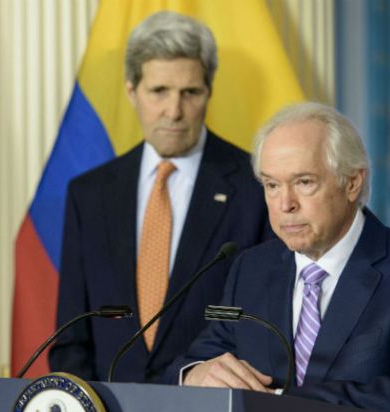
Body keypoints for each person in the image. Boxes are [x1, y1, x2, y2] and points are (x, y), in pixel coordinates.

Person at [165, 101, 390, 412]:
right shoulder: (250, 269)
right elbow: (198, 359)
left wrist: (280, 401)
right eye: (272, 185)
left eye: (304, 182)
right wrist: (195, 375)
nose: (285, 205)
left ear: (352, 183)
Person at [49, 11, 272, 383]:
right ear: (132, 91)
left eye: (190, 92)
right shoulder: (89, 194)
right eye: (159, 92)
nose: (174, 111)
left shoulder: (256, 186)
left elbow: (264, 323)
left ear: (209, 92)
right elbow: (71, 337)